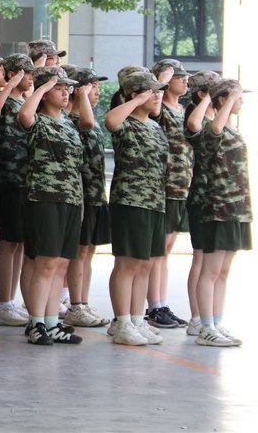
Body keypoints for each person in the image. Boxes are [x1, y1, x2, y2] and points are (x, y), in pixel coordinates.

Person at [17, 66, 86, 346]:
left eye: (67, 88)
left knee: (61, 265)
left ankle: (51, 321)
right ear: (44, 93)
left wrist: (80, 202)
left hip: (71, 198)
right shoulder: (39, 120)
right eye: (59, 88)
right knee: (45, 263)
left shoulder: (68, 123)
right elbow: (24, 116)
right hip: (45, 198)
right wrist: (43, 87)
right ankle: (36, 323)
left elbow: (86, 128)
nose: (65, 93)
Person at [104, 69, 169, 346]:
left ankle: (136, 318)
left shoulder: (155, 126)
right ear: (136, 95)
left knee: (145, 264)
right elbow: (110, 121)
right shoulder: (126, 122)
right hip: (130, 200)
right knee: (128, 263)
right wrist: (136, 100)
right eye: (151, 92)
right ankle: (121, 322)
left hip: (154, 201)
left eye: (159, 92)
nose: (158, 97)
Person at [189, 78, 252, 348]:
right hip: (217, 207)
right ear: (223, 100)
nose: (242, 101)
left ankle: (216, 321)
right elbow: (214, 128)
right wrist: (228, 98)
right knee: (211, 270)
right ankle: (205, 327)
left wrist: (231, 97)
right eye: (237, 97)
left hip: (236, 208)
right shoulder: (210, 128)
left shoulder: (233, 129)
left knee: (224, 271)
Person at [0, 54, 33, 327]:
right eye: (26, 73)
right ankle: (4, 303)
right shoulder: (2, 99)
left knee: (18, 243)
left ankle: (10, 301)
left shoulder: (25, 102)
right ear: (14, 74)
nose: (30, 79)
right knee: (8, 242)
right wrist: (9, 87)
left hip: (25, 180)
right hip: (7, 178)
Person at [62, 65, 112, 328]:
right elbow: (87, 123)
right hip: (80, 193)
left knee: (89, 250)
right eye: (92, 87)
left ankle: (83, 301)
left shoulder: (89, 117)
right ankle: (75, 305)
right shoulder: (71, 119)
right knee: (80, 251)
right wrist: (81, 96)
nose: (97, 92)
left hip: (95, 192)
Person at [146, 59, 193, 330]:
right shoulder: (159, 107)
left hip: (180, 184)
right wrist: (160, 81)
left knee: (166, 250)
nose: (185, 81)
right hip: (164, 185)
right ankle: (154, 305)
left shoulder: (183, 109)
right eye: (178, 77)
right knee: (158, 249)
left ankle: (161, 303)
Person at [182, 70, 221, 335]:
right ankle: (196, 317)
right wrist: (207, 98)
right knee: (200, 258)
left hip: (219, 196)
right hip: (201, 196)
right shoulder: (194, 115)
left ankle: (211, 316)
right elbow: (194, 126)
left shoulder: (217, 116)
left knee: (213, 262)